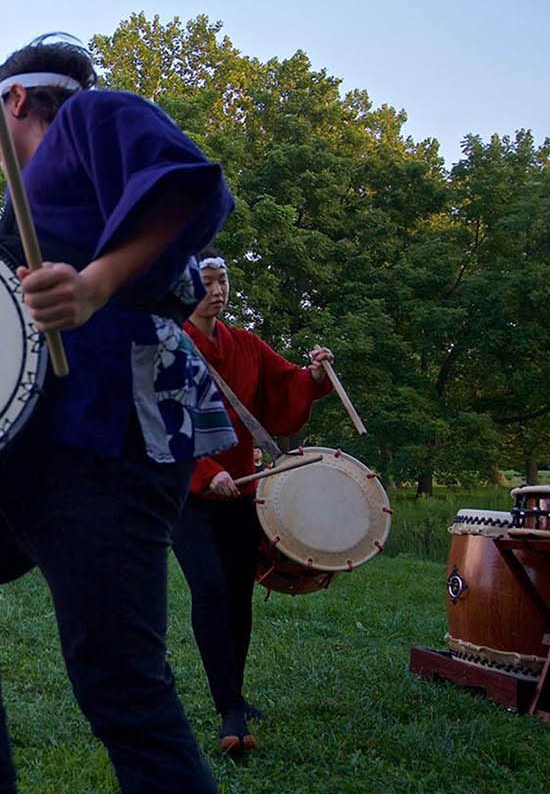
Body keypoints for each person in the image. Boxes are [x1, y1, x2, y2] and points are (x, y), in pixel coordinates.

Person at [0, 34, 237, 794]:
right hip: (42, 456)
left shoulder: (90, 118)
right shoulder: (24, 204)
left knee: (122, 686)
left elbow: (190, 188)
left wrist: (92, 284)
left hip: (104, 448)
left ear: (13, 100)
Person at [174, 255, 336, 753]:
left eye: (222, 282)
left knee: (239, 592)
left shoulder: (243, 343)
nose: (217, 290)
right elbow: (157, 417)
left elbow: (281, 387)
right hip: (186, 492)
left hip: (241, 489)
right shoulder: (169, 344)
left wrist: (312, 375)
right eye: (206, 283)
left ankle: (235, 695)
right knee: (209, 586)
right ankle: (228, 708)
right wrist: (205, 470)